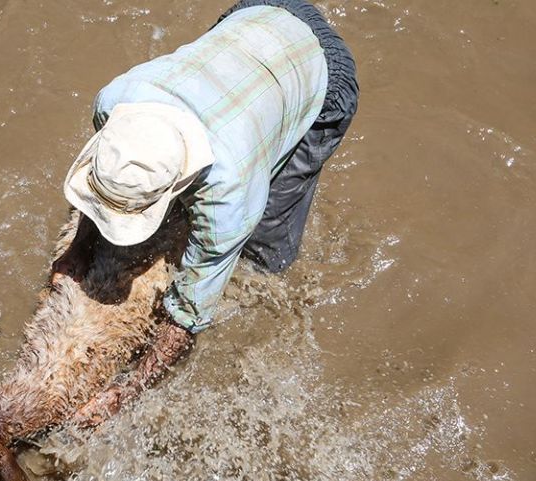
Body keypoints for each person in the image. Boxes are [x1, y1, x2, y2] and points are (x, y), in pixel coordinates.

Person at [56, 0, 359, 426]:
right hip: (252, 14)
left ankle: (263, 256)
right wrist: (77, 252)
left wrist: (126, 392)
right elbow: (105, 177)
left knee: (265, 248)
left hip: (323, 72)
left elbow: (185, 321)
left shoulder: (228, 201)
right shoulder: (113, 103)